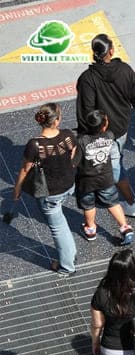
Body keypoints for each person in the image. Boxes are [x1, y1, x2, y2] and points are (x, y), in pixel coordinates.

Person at [76, 33, 135, 218]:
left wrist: (85, 132)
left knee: (115, 167)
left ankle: (130, 202)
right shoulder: (125, 70)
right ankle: (121, 197)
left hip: (98, 131)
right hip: (120, 128)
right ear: (111, 51)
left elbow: (86, 108)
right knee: (116, 159)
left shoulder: (87, 79)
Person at [13, 103, 78, 276]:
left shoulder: (35, 145)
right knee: (61, 222)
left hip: (50, 193)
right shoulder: (68, 136)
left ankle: (67, 265)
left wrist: (17, 188)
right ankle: (69, 255)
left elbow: (25, 169)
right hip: (69, 185)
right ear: (56, 120)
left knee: (58, 227)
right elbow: (72, 155)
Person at [75, 109, 135, 245]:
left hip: (86, 181)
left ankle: (90, 230)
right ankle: (125, 228)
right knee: (112, 202)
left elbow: (75, 161)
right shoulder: (109, 135)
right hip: (106, 178)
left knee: (89, 205)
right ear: (104, 126)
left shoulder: (81, 140)